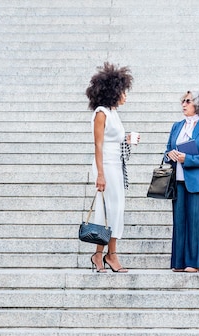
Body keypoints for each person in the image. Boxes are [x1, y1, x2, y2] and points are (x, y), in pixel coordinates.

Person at [85, 62, 138, 273]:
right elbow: (98, 144)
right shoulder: (101, 113)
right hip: (106, 165)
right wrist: (100, 174)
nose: (125, 95)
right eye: (123, 91)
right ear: (113, 91)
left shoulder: (113, 113)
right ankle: (111, 255)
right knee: (110, 210)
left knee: (114, 210)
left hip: (116, 164)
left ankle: (100, 255)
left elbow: (114, 138)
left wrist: (128, 139)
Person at [165, 91, 199, 273]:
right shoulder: (177, 126)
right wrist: (170, 155)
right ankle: (179, 262)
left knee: (196, 223)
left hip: (198, 183)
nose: (184, 104)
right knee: (179, 222)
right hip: (177, 181)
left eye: (188, 101)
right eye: (183, 101)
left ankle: (195, 262)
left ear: (198, 105)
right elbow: (167, 151)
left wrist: (187, 158)